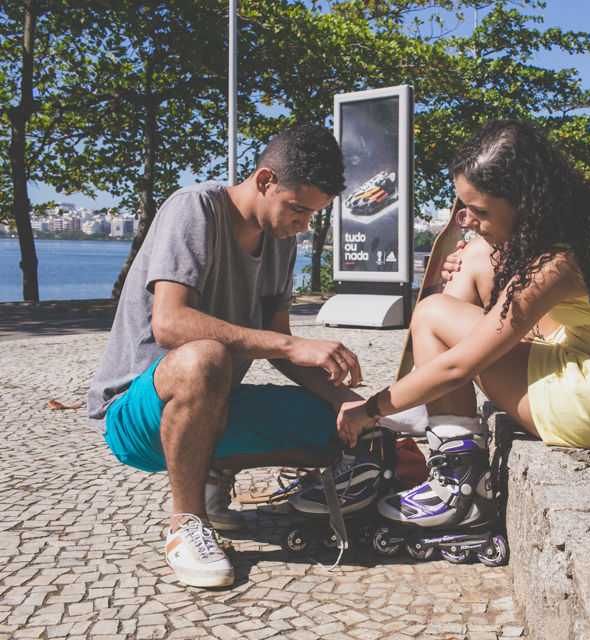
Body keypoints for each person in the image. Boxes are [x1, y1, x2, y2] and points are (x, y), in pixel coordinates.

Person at [334, 120, 590, 555]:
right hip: (589, 359)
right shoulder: (573, 227)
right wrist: (476, 266)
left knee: (432, 315)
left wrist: (369, 409)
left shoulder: (561, 262)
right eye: (464, 208)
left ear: (525, 201)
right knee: (475, 256)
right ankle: (431, 409)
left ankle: (460, 488)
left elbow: (460, 365)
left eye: (481, 212)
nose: (469, 221)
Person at [86, 125, 376, 589]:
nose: (303, 225)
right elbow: (169, 324)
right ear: (264, 180)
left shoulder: (281, 240)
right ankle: (186, 523)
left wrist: (345, 399)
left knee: (350, 428)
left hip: (214, 405)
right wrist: (290, 345)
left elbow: (280, 343)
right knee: (205, 358)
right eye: (298, 209)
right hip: (136, 411)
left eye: (313, 214)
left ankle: (213, 472)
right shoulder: (194, 208)